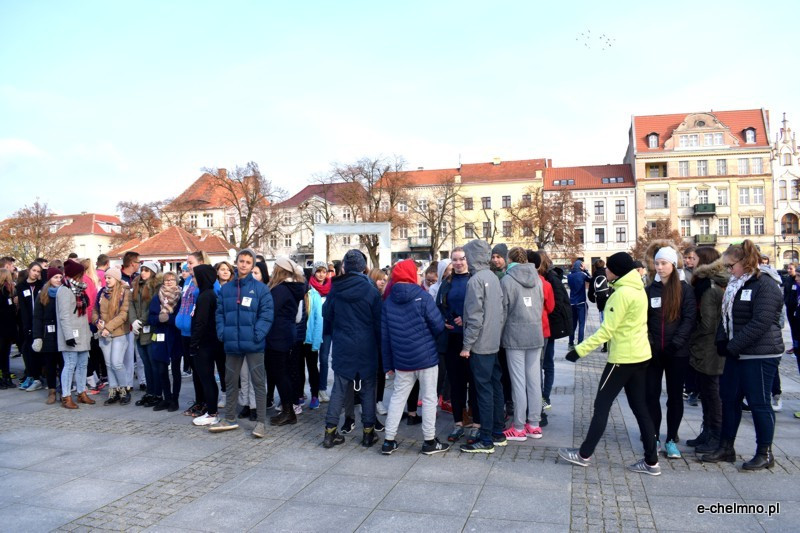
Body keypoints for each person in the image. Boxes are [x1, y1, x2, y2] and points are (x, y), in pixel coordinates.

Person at [558, 252, 661, 476]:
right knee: (640, 408)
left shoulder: (621, 294)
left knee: (602, 405)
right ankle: (651, 461)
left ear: (616, 271)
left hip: (622, 359)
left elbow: (606, 331)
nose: (605, 271)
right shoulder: (638, 288)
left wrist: (579, 350)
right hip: (640, 356)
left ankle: (584, 454)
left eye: (608, 268)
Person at [702, 240, 785, 470]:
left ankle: (764, 453)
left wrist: (733, 345)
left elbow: (761, 322)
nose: (729, 270)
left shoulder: (765, 284)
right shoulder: (736, 284)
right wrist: (722, 340)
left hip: (759, 354)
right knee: (729, 400)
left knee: (759, 403)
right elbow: (727, 316)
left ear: (745, 261)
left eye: (731, 266)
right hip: (737, 353)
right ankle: (726, 447)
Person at [380, 259, 448, 455]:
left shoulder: (388, 301)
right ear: (410, 275)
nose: (420, 276)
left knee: (397, 398)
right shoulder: (423, 296)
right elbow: (438, 325)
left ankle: (388, 441)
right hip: (426, 357)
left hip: (402, 360)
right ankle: (429, 441)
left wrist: (387, 365)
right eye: (417, 273)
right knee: (429, 398)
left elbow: (385, 337)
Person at [210, 248, 274, 438]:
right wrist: (222, 333)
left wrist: (257, 334)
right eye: (241, 261)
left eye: (248, 262)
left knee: (258, 383)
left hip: (254, 344)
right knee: (230, 382)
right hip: (232, 343)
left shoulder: (261, 289)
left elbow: (267, 314)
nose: (244, 264)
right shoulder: (226, 289)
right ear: (236, 263)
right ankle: (229, 418)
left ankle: (261, 422)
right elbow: (219, 313)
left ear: (253, 265)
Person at [322, 249, 382, 448]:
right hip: (366, 344)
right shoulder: (371, 289)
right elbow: (378, 321)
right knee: (368, 388)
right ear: (364, 268)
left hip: (343, 343)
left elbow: (327, 314)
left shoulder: (336, 288)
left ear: (345, 268)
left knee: (339, 388)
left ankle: (330, 432)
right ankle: (368, 433)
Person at [644, 245, 696, 459]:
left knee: (675, 397)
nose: (659, 267)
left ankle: (672, 438)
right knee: (651, 395)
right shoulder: (650, 289)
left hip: (677, 352)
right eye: (657, 263)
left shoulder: (684, 289)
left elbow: (689, 319)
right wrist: (650, 343)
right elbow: (644, 319)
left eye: (663, 263)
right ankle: (654, 436)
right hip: (654, 352)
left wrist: (676, 343)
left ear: (673, 265)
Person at [459, 239, 506, 453]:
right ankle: (497, 431)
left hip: (480, 344)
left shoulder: (475, 280)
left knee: (484, 390)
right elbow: (500, 311)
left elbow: (474, 317)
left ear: (472, 256)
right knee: (495, 387)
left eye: (466, 256)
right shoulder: (493, 277)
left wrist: (467, 345)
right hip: (493, 341)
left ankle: (486, 439)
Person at [500, 248, 546, 442]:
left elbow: (503, 311)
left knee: (518, 382)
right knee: (534, 380)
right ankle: (534, 424)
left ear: (509, 260)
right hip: (535, 333)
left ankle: (518, 427)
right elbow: (541, 304)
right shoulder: (538, 279)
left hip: (515, 335)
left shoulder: (507, 280)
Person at [686, 247, 727, 454]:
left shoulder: (709, 287)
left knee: (712, 394)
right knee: (706, 392)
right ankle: (707, 432)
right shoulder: (704, 283)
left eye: (694, 258)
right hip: (706, 347)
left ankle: (715, 436)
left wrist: (691, 338)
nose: (690, 261)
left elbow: (708, 324)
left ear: (704, 261)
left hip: (710, 348)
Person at [437, 248, 480, 443]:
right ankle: (458, 423)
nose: (458, 263)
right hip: (452, 338)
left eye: (462, 259)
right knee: (456, 383)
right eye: (454, 260)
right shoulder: (447, 282)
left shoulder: (475, 279)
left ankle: (476, 423)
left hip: (473, 339)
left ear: (467, 260)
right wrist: (443, 320)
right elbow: (439, 306)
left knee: (474, 382)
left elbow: (481, 307)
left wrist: (466, 318)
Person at [265, 257, 306, 426]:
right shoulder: (291, 287)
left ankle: (289, 411)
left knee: (280, 374)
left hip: (278, 335)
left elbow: (269, 311)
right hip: (285, 333)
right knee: (283, 373)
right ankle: (288, 410)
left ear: (279, 270)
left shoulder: (281, 289)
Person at [176, 251, 213, 416]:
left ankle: (206, 403)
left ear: (201, 263)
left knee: (202, 372)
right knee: (195, 371)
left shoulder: (207, 281)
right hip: (185, 332)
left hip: (197, 332)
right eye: (187, 263)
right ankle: (199, 401)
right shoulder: (188, 280)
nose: (188, 266)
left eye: (191, 263)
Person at [190, 265, 226, 426]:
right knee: (208, 378)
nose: (193, 279)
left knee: (207, 378)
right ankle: (211, 411)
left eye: (195, 276)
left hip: (205, 344)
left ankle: (212, 412)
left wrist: (194, 344)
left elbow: (201, 322)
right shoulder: (208, 294)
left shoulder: (205, 296)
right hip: (211, 342)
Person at [55, 259, 94, 410]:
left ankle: (81, 392)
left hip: (82, 333)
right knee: (70, 365)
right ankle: (66, 396)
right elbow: (64, 316)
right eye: (80, 275)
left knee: (83, 364)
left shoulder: (79, 289)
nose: (82, 277)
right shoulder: (64, 290)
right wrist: (68, 336)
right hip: (71, 334)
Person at [537, 251, 570, 413]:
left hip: (548, 328)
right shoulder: (546, 277)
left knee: (547, 364)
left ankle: (545, 397)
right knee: (542, 364)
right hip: (544, 327)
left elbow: (557, 304)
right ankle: (541, 397)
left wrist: (546, 318)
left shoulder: (551, 279)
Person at [93, 267, 132, 405]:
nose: (107, 280)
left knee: (116, 363)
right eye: (106, 278)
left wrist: (108, 328)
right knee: (109, 364)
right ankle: (113, 390)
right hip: (104, 333)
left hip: (119, 332)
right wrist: (97, 321)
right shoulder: (102, 292)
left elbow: (124, 314)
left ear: (116, 278)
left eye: (110, 278)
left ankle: (124, 390)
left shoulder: (124, 292)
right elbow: (95, 310)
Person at [149, 271, 182, 412]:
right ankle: (166, 397)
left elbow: (181, 317)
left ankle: (175, 399)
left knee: (175, 370)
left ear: (176, 282)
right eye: (166, 280)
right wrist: (158, 319)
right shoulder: (157, 297)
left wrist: (170, 319)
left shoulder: (180, 297)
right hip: (160, 336)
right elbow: (151, 318)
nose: (168, 282)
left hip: (175, 336)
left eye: (172, 280)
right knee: (161, 369)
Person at [129, 261, 161, 408]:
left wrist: (140, 321)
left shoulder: (156, 287)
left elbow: (152, 308)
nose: (143, 273)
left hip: (150, 329)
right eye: (142, 270)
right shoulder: (137, 285)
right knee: (145, 363)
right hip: (139, 331)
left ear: (153, 272)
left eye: (146, 270)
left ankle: (157, 393)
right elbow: (131, 304)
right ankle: (150, 391)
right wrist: (133, 321)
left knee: (153, 363)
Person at [31, 267, 62, 403]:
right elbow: (37, 317)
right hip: (47, 333)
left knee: (63, 363)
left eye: (60, 277)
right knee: (50, 364)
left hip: (62, 333)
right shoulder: (42, 295)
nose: (58, 280)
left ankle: (64, 390)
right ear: (50, 279)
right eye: (55, 277)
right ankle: (52, 390)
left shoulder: (64, 292)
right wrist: (37, 337)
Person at [13, 261, 44, 390]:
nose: (35, 273)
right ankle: (31, 375)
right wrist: (26, 326)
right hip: (26, 323)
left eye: (38, 271)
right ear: (29, 270)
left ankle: (38, 377)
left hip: (40, 322)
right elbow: (23, 308)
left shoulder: (41, 285)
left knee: (38, 351)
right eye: (34, 270)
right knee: (27, 350)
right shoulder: (21, 286)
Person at [303, 262, 328, 410]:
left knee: (317, 364)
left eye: (324, 271)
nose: (321, 274)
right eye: (318, 271)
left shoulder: (326, 289)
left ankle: (317, 392)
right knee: (300, 367)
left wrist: (316, 341)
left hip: (318, 333)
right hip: (304, 335)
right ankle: (300, 394)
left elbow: (319, 318)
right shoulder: (307, 290)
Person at [567, 259, 591, 349]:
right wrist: (585, 270)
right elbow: (591, 279)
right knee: (582, 324)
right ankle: (580, 343)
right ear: (581, 266)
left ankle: (570, 343)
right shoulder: (582, 274)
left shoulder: (569, 276)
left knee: (572, 324)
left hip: (572, 303)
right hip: (581, 302)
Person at [0, 269, 18, 390]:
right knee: (2, 353)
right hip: (3, 328)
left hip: (8, 327)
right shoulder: (4, 292)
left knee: (5, 353)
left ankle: (6, 376)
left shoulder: (9, 292)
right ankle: (3, 377)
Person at [783, 263, 797, 355]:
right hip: (789, 307)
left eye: (791, 269)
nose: (788, 270)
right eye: (788, 268)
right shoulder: (788, 279)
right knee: (793, 327)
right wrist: (785, 301)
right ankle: (794, 346)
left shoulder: (797, 280)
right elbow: (785, 292)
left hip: (796, 308)